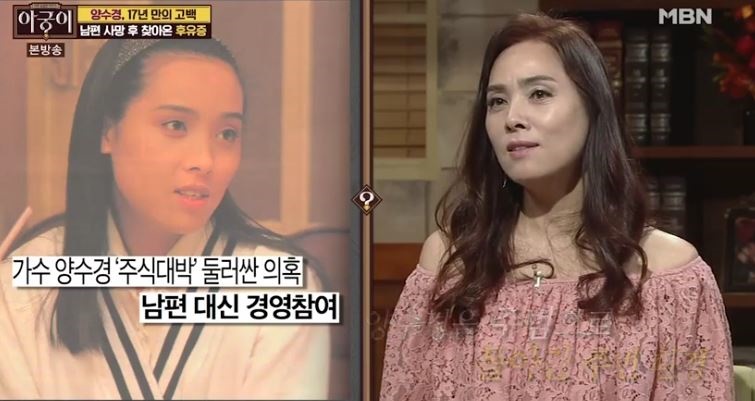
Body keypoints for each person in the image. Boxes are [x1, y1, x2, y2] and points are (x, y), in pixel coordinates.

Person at [380, 13, 733, 400]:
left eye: (539, 94)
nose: (512, 118)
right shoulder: (448, 263)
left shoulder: (670, 276)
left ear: (593, 107)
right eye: (497, 101)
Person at [0, 38, 330, 399]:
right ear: (107, 131)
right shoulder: (21, 285)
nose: (205, 160)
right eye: (175, 125)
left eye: (227, 134)